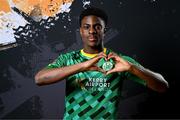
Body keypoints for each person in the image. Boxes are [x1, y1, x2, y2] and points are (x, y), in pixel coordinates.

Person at [34, 7, 169, 119]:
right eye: (87, 27)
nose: (92, 31)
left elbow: (162, 86)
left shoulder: (118, 60)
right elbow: (40, 78)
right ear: (81, 31)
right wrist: (83, 66)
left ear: (104, 31)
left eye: (97, 27)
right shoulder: (69, 59)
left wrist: (132, 68)